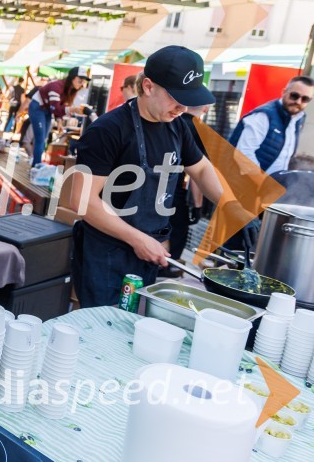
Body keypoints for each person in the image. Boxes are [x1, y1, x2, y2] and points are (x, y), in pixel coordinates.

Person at [70, 46, 224, 308]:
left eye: (189, 100)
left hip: (149, 252)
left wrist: (231, 207)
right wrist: (138, 239)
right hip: (107, 255)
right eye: (176, 98)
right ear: (149, 86)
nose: (183, 108)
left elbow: (200, 168)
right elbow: (82, 201)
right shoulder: (108, 130)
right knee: (103, 324)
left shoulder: (178, 126)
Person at [160, 104, 210, 277]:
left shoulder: (172, 123)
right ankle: (167, 267)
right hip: (174, 188)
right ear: (205, 109)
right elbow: (197, 173)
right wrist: (197, 206)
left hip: (157, 186)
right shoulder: (198, 130)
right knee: (177, 231)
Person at [228, 76, 312, 175]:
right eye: (294, 96)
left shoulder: (298, 119)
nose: (298, 102)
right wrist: (261, 180)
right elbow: (243, 154)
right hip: (246, 181)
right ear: (284, 92)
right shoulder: (263, 116)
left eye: (305, 99)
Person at [28, 67, 89, 166]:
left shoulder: (70, 90)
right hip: (38, 107)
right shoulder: (56, 86)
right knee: (40, 139)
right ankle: (36, 166)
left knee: (44, 138)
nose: (82, 83)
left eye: (84, 81)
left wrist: (59, 121)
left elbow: (58, 107)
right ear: (73, 77)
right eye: (80, 80)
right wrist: (72, 109)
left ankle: (37, 164)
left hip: (47, 109)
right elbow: (55, 108)